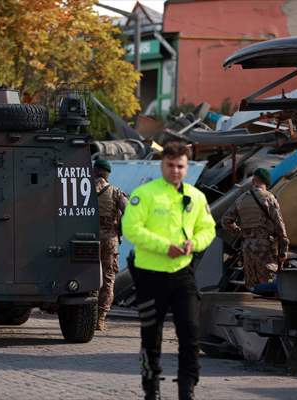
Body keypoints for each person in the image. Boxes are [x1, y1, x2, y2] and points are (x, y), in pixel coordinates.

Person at [122, 142, 216, 400]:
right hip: (149, 276)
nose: (175, 170)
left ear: (187, 167)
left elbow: (208, 229)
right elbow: (131, 228)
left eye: (180, 166)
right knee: (151, 337)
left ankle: (187, 390)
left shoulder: (196, 197)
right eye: (170, 165)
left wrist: (193, 244)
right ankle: (151, 390)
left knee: (190, 333)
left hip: (182, 275)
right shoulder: (145, 194)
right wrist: (165, 247)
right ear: (161, 165)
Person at [221, 168, 289, 289]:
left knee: (251, 286)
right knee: (268, 284)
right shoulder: (269, 198)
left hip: (247, 248)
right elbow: (280, 226)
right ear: (266, 183)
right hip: (265, 248)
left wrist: (240, 232)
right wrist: (283, 251)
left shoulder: (241, 199)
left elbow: (225, 221)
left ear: (253, 181)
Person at [93, 158, 127, 331]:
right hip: (110, 240)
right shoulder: (116, 192)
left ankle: (86, 316)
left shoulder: (84, 190)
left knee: (87, 276)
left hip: (87, 239)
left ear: (95, 170)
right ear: (107, 173)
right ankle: (100, 319)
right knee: (108, 279)